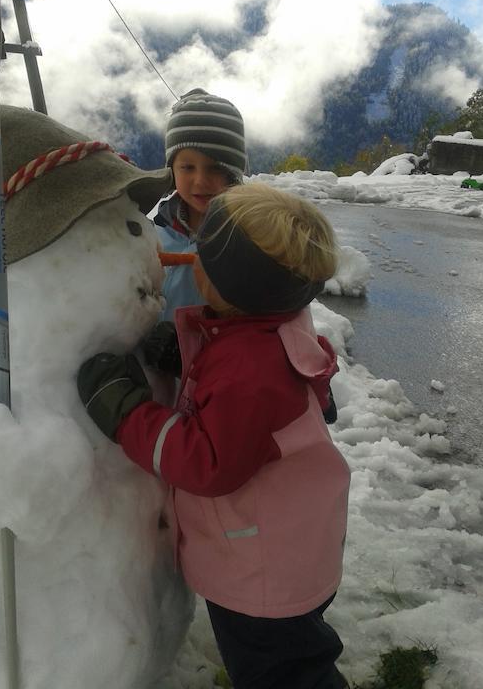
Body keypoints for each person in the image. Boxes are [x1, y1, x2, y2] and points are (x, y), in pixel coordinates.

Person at [77, 182, 351, 689]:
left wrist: (129, 415)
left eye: (204, 253)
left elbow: (207, 460)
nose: (192, 258)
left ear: (232, 286)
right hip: (294, 542)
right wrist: (189, 354)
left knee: (282, 674)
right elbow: (248, 382)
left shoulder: (250, 370)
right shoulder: (272, 323)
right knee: (296, 656)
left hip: (262, 569)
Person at [155, 87, 247, 320]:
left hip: (222, 353)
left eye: (215, 167)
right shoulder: (154, 233)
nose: (200, 181)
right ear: (172, 170)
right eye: (187, 167)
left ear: (234, 173)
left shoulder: (250, 237)